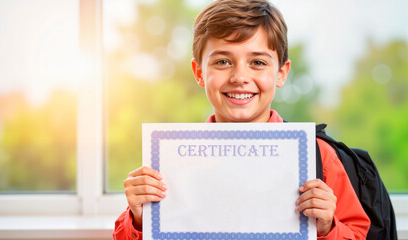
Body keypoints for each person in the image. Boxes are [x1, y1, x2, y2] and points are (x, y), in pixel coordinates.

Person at [113, 0, 371, 239]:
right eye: (223, 61)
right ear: (199, 73)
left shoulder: (318, 157)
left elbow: (358, 233)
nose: (239, 77)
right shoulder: (169, 159)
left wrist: (326, 226)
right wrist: (138, 217)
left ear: (281, 73)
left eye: (257, 62)